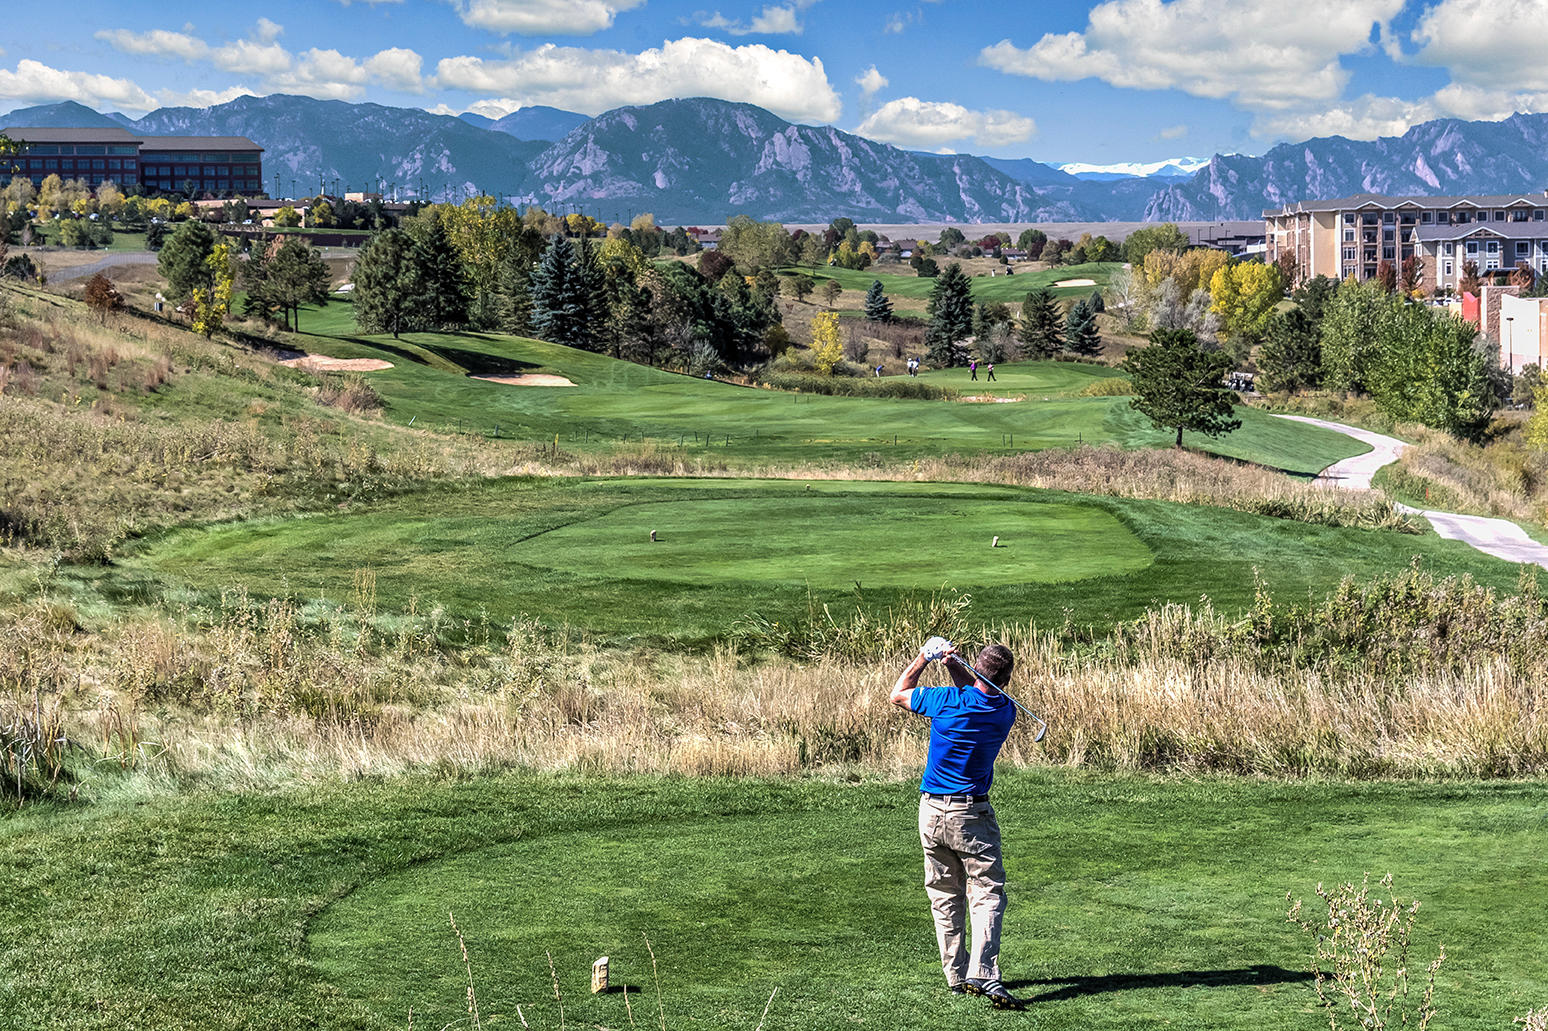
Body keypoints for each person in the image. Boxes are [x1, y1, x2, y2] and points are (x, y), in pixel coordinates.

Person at [890, 639, 1020, 1009]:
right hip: (972, 815)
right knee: (986, 891)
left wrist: (925, 658)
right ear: (1007, 678)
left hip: (931, 812)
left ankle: (957, 976)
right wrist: (952, 663)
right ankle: (983, 972)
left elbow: (899, 693)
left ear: (977, 668)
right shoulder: (1004, 711)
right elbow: (979, 690)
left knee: (945, 894)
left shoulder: (947, 701)